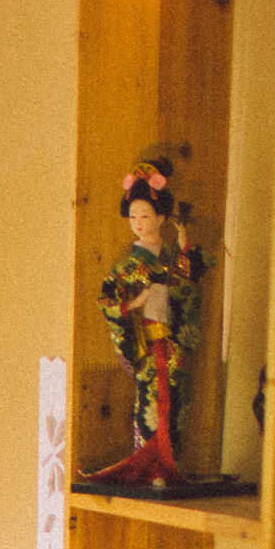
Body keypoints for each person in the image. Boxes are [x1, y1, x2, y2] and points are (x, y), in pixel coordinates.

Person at [81, 156, 211, 491]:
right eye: (133, 216)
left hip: (173, 343)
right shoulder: (127, 265)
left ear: (162, 217)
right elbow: (107, 300)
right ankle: (148, 465)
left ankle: (171, 466)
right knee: (150, 403)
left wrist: (184, 241)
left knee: (177, 403)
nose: (138, 222)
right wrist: (134, 304)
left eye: (146, 215)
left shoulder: (172, 258)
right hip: (146, 344)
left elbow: (191, 281)